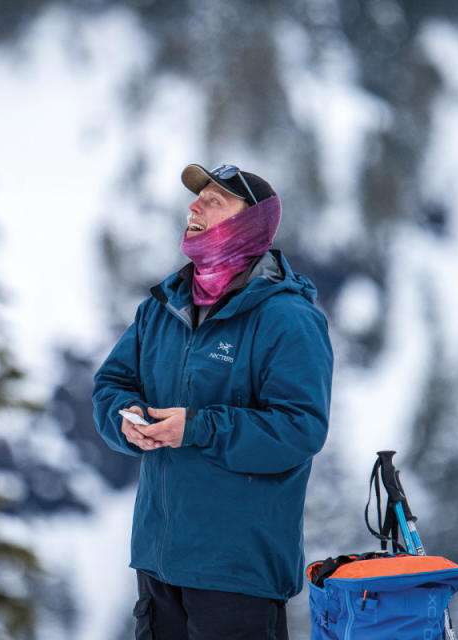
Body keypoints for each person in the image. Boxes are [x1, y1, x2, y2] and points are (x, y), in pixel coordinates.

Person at [92, 164, 333, 639]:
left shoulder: (288, 318)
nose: (194, 207)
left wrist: (197, 427)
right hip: (159, 566)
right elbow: (111, 383)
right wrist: (126, 420)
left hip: (237, 574)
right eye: (196, 197)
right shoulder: (162, 307)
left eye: (213, 200)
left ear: (251, 222)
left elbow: (300, 428)